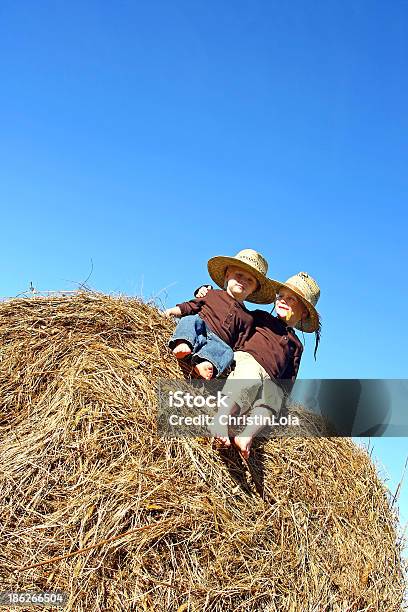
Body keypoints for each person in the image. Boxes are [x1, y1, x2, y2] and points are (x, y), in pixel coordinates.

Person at [197, 272, 321, 458]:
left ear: (304, 312)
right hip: (248, 360)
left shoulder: (297, 345)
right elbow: (232, 311)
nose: (282, 300)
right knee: (249, 380)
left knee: (273, 400)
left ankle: (246, 436)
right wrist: (207, 292)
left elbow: (289, 376)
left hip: (271, 378)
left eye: (291, 299)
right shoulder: (260, 317)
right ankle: (221, 420)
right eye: (280, 296)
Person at [165, 249, 276, 379]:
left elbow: (239, 342)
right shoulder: (212, 294)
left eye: (250, 280)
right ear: (228, 275)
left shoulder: (248, 318)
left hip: (218, 343)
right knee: (190, 320)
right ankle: (183, 343)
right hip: (201, 329)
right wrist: (172, 311)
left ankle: (205, 364)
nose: (243, 281)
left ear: (254, 290)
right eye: (239, 275)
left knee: (227, 352)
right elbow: (191, 306)